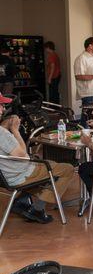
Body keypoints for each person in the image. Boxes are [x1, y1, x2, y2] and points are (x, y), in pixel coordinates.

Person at [0, 93, 74, 224]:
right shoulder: (2, 134)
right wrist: (15, 130)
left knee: (51, 164)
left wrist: (6, 125)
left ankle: (23, 199)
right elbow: (21, 154)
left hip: (6, 175)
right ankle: (37, 209)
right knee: (67, 169)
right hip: (20, 174)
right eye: (0, 106)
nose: (3, 109)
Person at [74, 37, 93, 124]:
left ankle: (89, 135)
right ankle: (86, 135)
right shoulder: (81, 58)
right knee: (89, 118)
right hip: (89, 93)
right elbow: (78, 76)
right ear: (90, 46)